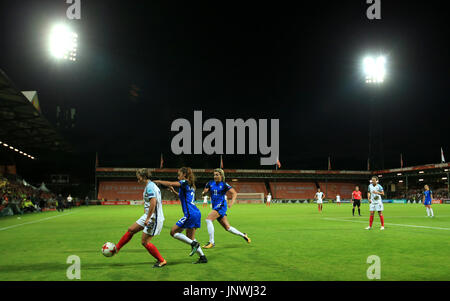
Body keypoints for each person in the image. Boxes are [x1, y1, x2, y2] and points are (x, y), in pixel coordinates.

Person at [114, 168, 167, 267]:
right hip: (148, 215)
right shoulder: (149, 186)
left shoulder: (150, 187)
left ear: (143, 177)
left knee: (144, 242)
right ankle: (117, 248)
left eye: (139, 179)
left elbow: (153, 203)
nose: (138, 181)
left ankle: (161, 260)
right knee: (131, 230)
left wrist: (147, 218)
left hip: (153, 218)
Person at [154, 167, 207, 264]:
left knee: (173, 232)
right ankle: (202, 257)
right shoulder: (191, 185)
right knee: (190, 237)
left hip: (190, 214)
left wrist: (159, 181)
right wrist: (174, 192)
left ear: (184, 175)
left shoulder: (184, 182)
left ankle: (194, 244)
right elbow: (183, 197)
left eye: (179, 174)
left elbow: (171, 183)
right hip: (196, 213)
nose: (178, 176)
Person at [200, 168, 251, 249]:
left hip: (221, 206)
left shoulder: (224, 184)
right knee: (227, 228)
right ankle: (243, 235)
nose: (215, 176)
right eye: (214, 175)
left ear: (221, 175)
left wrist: (231, 202)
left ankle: (211, 242)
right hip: (215, 206)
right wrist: (204, 193)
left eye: (217, 175)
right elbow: (204, 192)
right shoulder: (210, 183)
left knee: (208, 220)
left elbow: (234, 193)